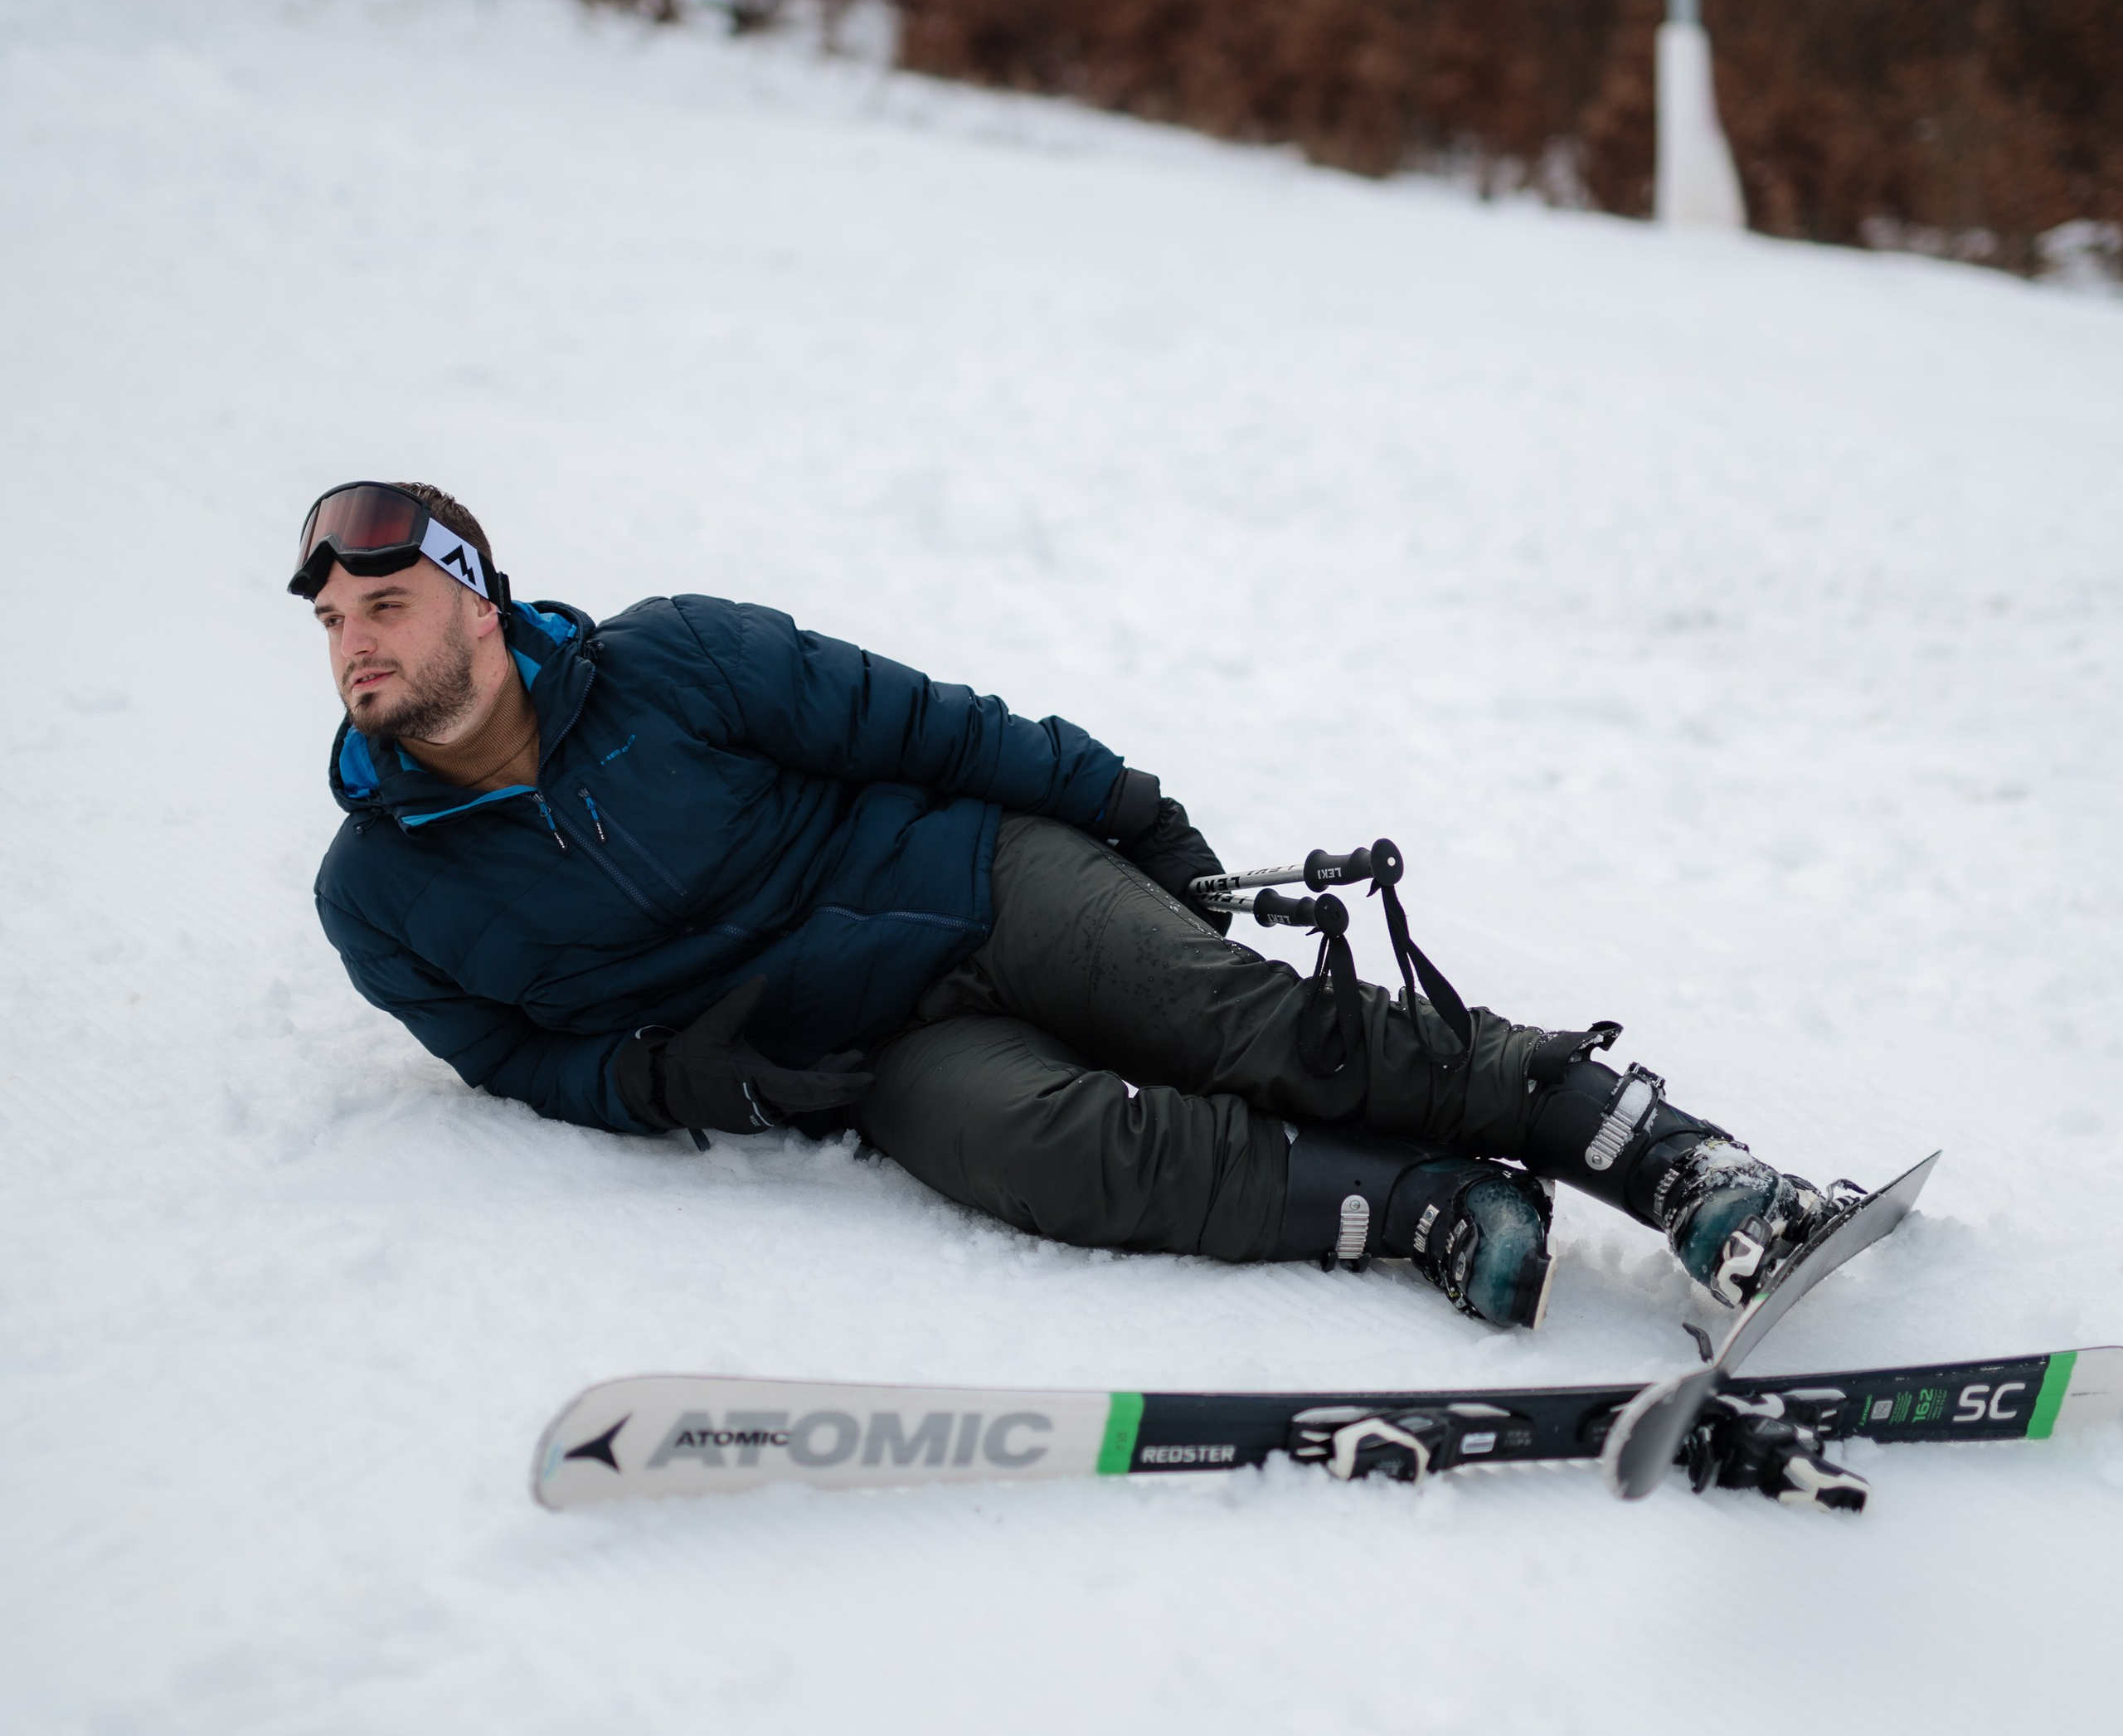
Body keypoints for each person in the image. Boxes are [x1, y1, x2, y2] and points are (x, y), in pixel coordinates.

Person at [296, 480, 1844, 1334]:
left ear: (479, 604)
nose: (357, 641)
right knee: (1048, 1154)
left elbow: (928, 723)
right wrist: (659, 1081)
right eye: (337, 620)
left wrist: (1125, 807)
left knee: (1231, 1020)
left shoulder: (677, 658)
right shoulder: (379, 896)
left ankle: (1671, 1161)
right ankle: (1429, 1207)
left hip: (976, 877)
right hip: (865, 1052)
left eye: (389, 605)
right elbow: (508, 1053)